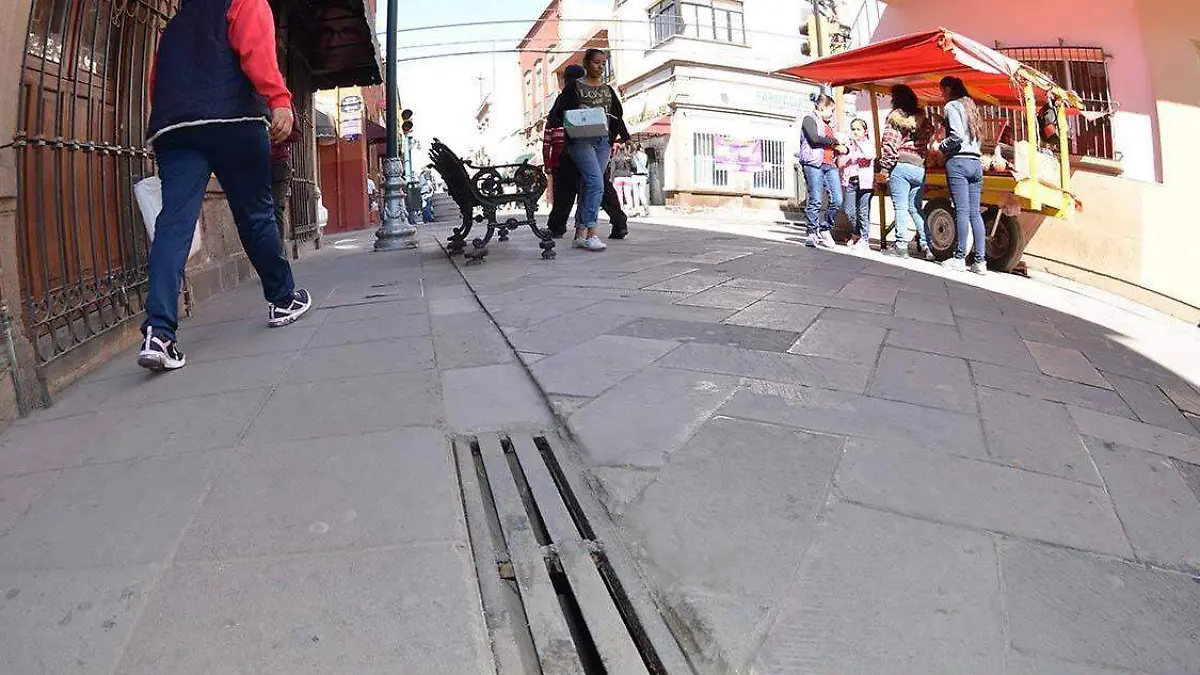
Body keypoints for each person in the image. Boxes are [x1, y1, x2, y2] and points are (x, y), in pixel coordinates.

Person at [139, 0, 311, 372]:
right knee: (255, 215)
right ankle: (283, 299)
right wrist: (279, 99)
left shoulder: (175, 25)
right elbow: (256, 52)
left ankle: (159, 332)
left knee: (173, 225)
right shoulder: (243, 2)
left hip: (177, 129)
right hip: (234, 120)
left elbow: (157, 83)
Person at [546, 48, 630, 251]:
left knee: (589, 185)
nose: (600, 66)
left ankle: (579, 233)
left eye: (603, 63)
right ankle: (592, 233)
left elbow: (617, 114)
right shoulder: (574, 87)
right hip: (580, 141)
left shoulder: (608, 89)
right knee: (595, 182)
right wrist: (578, 114)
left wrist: (619, 137)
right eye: (596, 62)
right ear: (587, 64)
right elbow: (556, 116)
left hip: (602, 141)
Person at [877, 84, 935, 259]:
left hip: (901, 166)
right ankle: (928, 246)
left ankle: (901, 246)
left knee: (900, 207)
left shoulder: (895, 118)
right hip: (919, 168)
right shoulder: (923, 120)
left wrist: (885, 168)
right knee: (916, 208)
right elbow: (929, 138)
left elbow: (889, 144)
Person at [938, 76, 987, 274]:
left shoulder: (951, 106)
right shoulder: (970, 107)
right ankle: (980, 261)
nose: (941, 94)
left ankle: (959, 258)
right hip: (976, 162)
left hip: (958, 161)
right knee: (975, 212)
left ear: (948, 89)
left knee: (961, 211)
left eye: (942, 90)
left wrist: (942, 146)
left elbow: (956, 136)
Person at [797, 94, 846, 248]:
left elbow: (830, 145)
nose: (832, 114)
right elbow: (815, 139)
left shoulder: (829, 126)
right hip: (814, 163)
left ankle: (825, 228)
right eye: (830, 110)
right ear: (821, 107)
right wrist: (835, 142)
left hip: (829, 163)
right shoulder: (809, 119)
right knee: (815, 199)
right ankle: (812, 232)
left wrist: (841, 148)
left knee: (837, 199)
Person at [838, 117, 875, 254]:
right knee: (849, 210)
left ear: (865, 131)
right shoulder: (849, 145)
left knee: (863, 211)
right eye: (853, 129)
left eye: (858, 129)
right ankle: (856, 233)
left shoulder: (869, 143)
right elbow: (841, 163)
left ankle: (865, 239)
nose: (855, 132)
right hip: (851, 180)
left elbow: (868, 155)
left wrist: (855, 145)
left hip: (865, 181)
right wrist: (847, 150)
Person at [610, 145, 635, 214]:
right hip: (627, 177)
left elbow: (613, 169)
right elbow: (634, 166)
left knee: (619, 194)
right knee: (628, 194)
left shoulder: (615, 158)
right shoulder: (629, 157)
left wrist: (611, 178)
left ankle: (620, 208)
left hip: (618, 177)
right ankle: (630, 208)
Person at [631, 143, 650, 216]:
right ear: (640, 148)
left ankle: (636, 210)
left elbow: (632, 165)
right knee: (642, 194)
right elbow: (646, 165)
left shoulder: (633, 155)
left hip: (635, 175)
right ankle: (646, 208)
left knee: (635, 194)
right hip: (643, 176)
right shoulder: (645, 156)